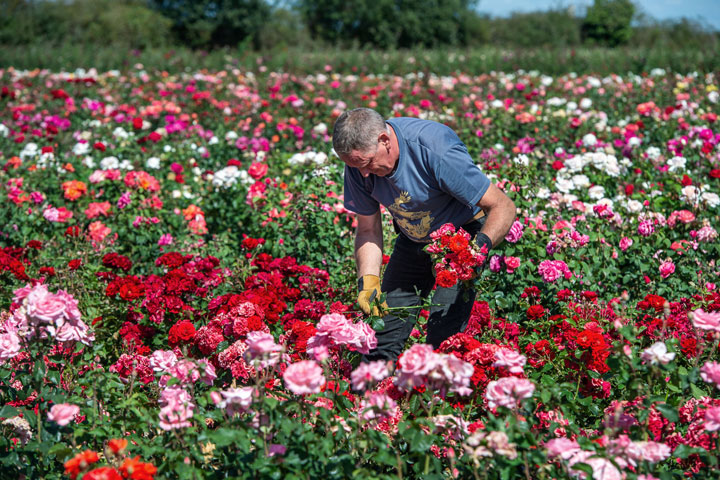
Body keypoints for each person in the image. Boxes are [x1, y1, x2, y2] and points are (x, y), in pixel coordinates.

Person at [332, 108, 516, 362]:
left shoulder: (434, 149)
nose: (363, 173)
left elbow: (502, 206)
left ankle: (442, 398)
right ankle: (370, 399)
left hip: (461, 239)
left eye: (366, 164)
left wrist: (476, 250)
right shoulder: (359, 164)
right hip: (413, 238)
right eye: (354, 165)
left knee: (444, 335)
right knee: (382, 335)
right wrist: (369, 280)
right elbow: (367, 228)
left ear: (384, 141)